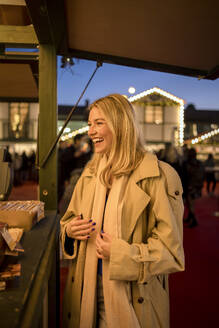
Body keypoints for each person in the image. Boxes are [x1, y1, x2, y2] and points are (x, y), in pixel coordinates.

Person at [60, 94, 185, 328]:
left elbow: (171, 252)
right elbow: (67, 223)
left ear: (120, 125)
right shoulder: (89, 175)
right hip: (86, 293)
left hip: (131, 299)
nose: (91, 131)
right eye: (89, 124)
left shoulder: (161, 176)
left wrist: (122, 255)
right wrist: (69, 231)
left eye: (99, 123)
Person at [182, 148, 205, 228]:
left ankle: (194, 220)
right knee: (190, 203)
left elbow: (186, 176)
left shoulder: (187, 164)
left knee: (190, 203)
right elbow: (202, 175)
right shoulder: (200, 163)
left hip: (190, 186)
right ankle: (189, 217)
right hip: (197, 186)